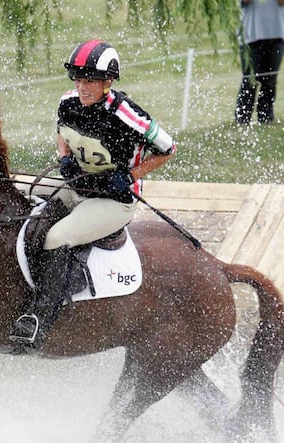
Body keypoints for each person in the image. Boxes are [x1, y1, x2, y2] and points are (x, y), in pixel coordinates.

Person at [9, 39, 176, 350]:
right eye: (78, 79)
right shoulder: (68, 102)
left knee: (56, 237)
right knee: (13, 188)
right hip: (79, 188)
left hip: (114, 201)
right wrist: (64, 159)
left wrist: (130, 175)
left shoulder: (126, 114)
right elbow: (62, 133)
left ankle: (39, 319)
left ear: (107, 82)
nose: (82, 87)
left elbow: (168, 148)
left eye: (89, 81)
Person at [235, 0, 284, 125]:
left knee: (270, 79)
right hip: (251, 33)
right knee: (250, 79)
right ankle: (243, 117)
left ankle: (265, 116)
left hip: (276, 32)